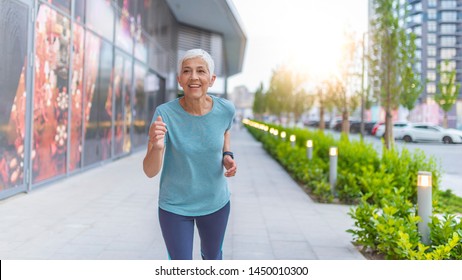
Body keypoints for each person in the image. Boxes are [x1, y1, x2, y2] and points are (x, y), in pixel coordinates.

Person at [143, 49, 237, 260]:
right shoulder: (164, 114)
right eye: (187, 71)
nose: (194, 77)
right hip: (175, 206)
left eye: (200, 71)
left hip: (215, 203)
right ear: (179, 79)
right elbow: (150, 171)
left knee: (212, 259)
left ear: (211, 79)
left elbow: (225, 130)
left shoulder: (226, 110)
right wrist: (156, 146)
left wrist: (227, 155)